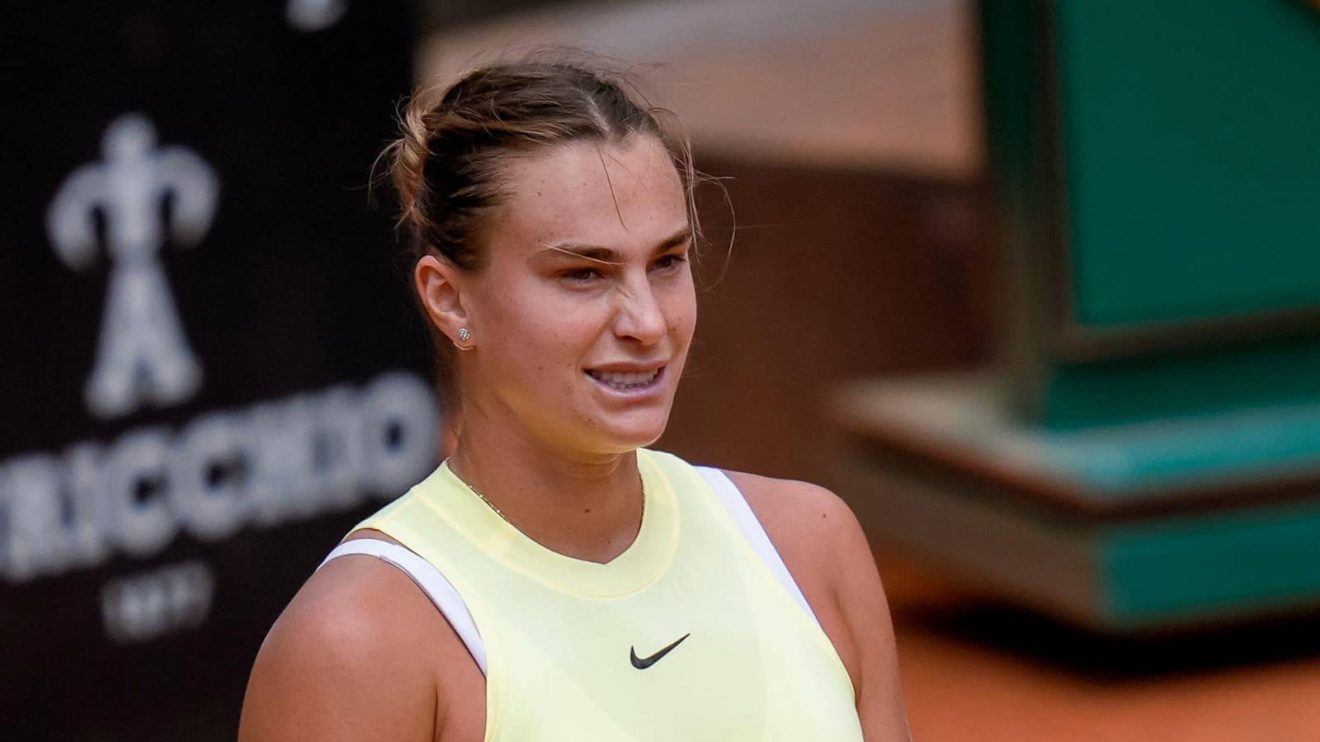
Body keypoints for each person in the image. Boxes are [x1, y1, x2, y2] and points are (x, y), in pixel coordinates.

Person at [238, 57, 912, 741]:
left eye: (667, 262)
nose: (648, 322)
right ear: (450, 300)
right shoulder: (357, 643)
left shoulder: (812, 547)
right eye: (583, 273)